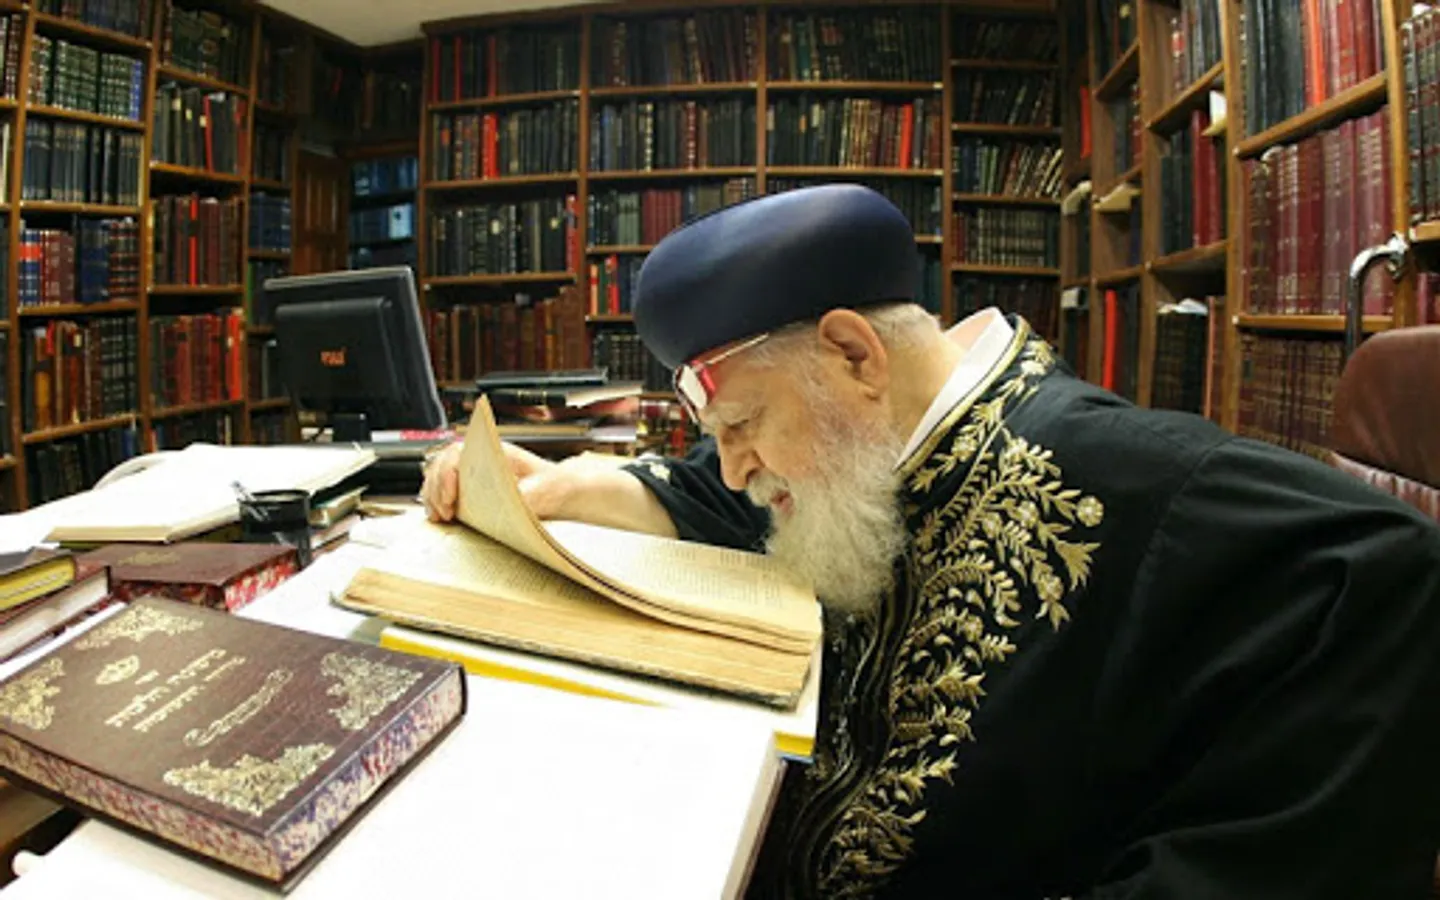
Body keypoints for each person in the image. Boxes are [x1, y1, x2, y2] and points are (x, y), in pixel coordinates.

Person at [421, 184, 1440, 899]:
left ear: (853, 354)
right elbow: (726, 500)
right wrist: (576, 485)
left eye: (742, 425)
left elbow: (1390, 573)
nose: (732, 467)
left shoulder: (1134, 480)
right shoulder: (878, 445)